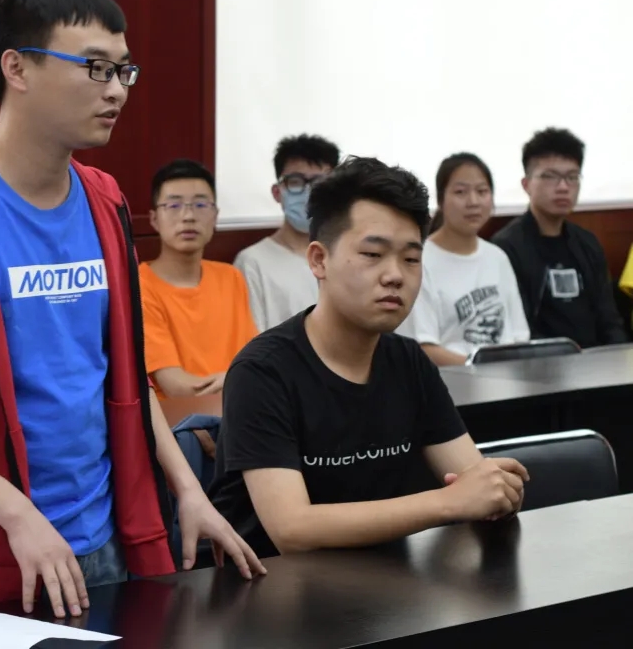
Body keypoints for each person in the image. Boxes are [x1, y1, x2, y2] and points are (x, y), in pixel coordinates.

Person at [0, 0, 263, 619]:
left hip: (107, 538)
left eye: (123, 71)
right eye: (95, 67)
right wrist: (19, 517)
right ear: (16, 67)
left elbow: (123, 371)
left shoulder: (104, 200)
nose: (115, 89)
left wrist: (187, 488)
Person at [208, 157, 529, 559]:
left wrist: (496, 490)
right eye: (373, 254)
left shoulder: (408, 361)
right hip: (281, 589)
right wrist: (449, 502)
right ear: (319, 260)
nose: (395, 275)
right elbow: (292, 529)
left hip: (392, 583)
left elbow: (472, 479)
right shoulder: (262, 371)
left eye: (411, 259)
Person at [491, 128, 627, 348]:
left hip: (597, 361)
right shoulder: (506, 247)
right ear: (526, 185)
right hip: (541, 362)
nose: (563, 187)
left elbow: (609, 321)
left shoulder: (587, 243)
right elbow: (519, 331)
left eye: (572, 177)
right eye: (550, 177)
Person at [141, 159, 257, 397]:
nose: (188, 216)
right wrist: (240, 380)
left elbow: (254, 361)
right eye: (174, 205)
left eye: (201, 204)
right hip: (180, 417)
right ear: (154, 219)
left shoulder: (230, 277)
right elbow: (178, 387)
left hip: (240, 409)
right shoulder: (139, 285)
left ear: (215, 215)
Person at [401, 153, 530, 365]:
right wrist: (478, 369)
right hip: (451, 379)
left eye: (482, 191)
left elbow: (519, 337)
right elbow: (422, 348)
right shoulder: (419, 260)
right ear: (441, 200)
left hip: (508, 377)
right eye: (460, 192)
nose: (473, 202)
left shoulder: (497, 257)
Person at [234, 134, 340, 331]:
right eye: (296, 181)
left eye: (320, 182)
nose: (309, 193)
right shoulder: (252, 263)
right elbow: (252, 341)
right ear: (277, 192)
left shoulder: (346, 256)